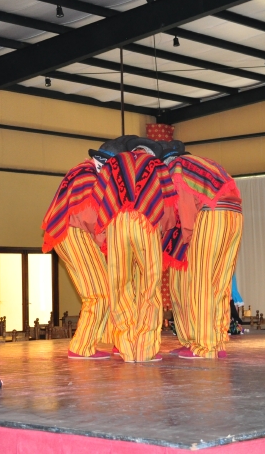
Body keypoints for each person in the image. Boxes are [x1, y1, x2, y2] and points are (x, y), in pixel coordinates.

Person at [41, 139, 130, 359]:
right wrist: (108, 242)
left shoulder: (85, 171)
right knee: (98, 293)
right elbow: (90, 217)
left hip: (71, 233)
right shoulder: (88, 176)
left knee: (108, 289)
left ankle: (114, 340)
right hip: (73, 233)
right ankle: (82, 347)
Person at [93, 136, 177, 362]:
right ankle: (145, 350)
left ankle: (126, 348)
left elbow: (98, 196)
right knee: (149, 285)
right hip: (146, 222)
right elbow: (169, 202)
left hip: (116, 223)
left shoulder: (114, 163)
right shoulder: (156, 164)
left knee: (119, 285)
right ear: (150, 152)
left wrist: (102, 230)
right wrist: (165, 229)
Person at [159, 142, 244, 359]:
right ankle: (216, 342)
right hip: (234, 216)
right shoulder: (205, 163)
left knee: (200, 283)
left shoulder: (176, 168)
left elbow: (185, 210)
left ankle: (203, 345)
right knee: (219, 283)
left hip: (210, 216)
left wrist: (180, 240)